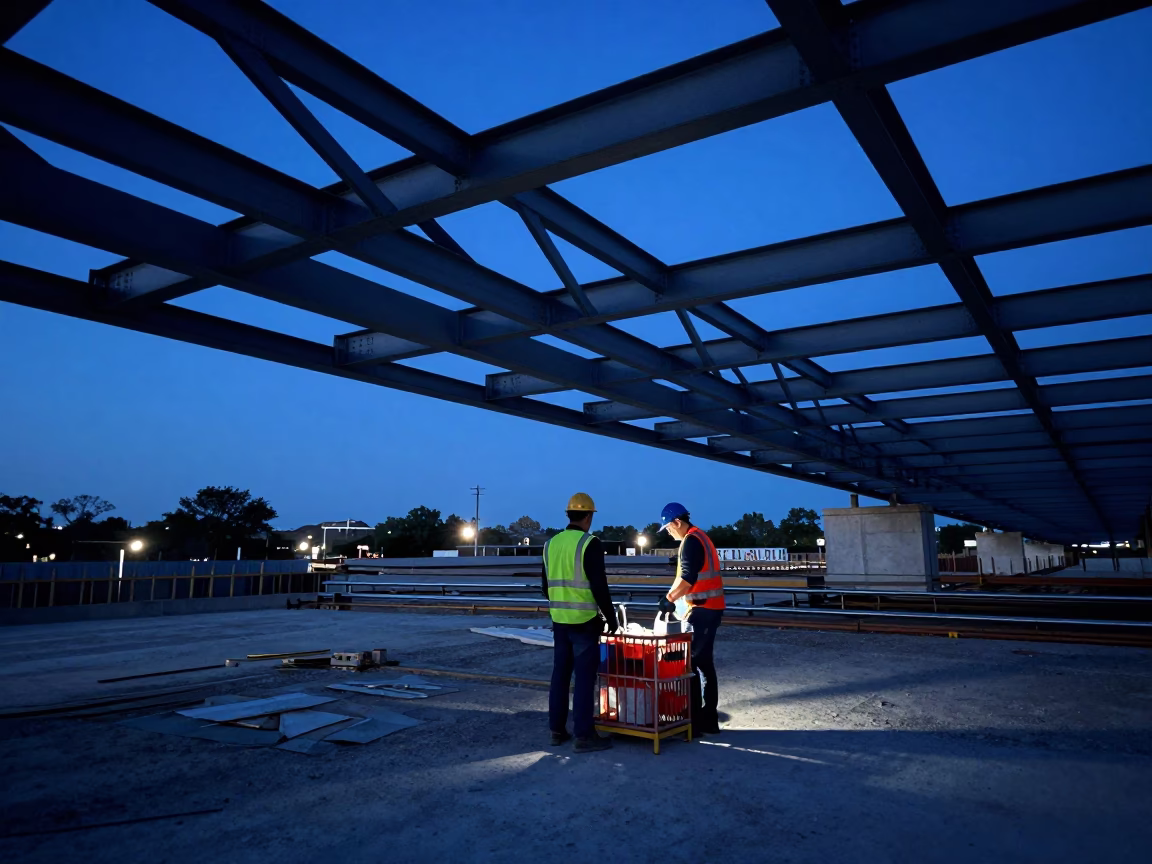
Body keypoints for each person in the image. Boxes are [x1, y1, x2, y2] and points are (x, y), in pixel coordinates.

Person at [541, 492, 618, 753]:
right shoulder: (589, 543)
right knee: (584, 679)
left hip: (559, 621)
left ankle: (556, 730)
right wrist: (611, 617)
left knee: (560, 676)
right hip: (584, 622)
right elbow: (599, 585)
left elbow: (545, 586)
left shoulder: (550, 544)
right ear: (587, 516)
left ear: (568, 515)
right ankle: (584, 736)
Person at [656, 502, 725, 735]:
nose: (668, 532)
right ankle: (708, 719)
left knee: (692, 664)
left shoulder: (691, 541)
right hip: (709, 609)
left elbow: (687, 578)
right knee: (704, 664)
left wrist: (668, 599)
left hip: (703, 610)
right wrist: (671, 598)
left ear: (678, 522)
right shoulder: (699, 537)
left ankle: (695, 721)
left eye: (668, 528)